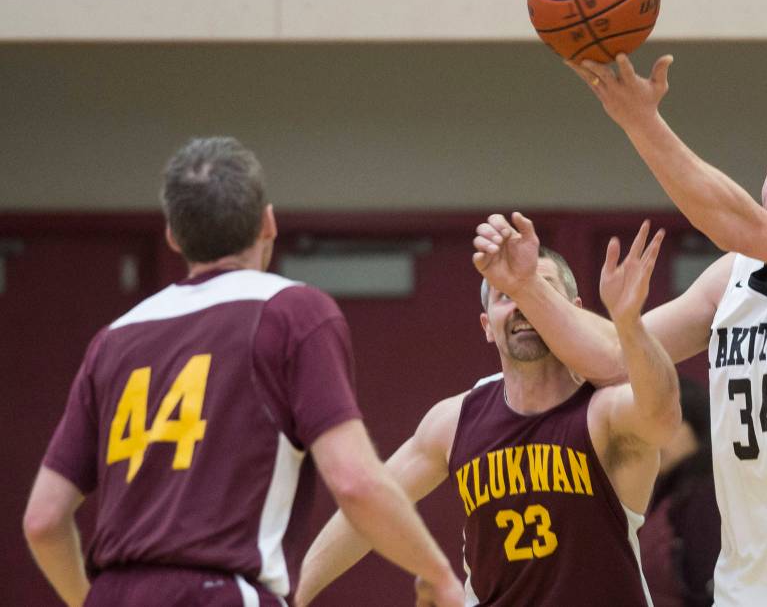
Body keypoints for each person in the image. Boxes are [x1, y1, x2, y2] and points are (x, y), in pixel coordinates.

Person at [471, 54, 767, 606]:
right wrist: (529, 285)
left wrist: (640, 120)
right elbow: (606, 361)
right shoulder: (732, 278)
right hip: (752, 589)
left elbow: (736, 221)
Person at [22, 137, 463, 607]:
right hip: (220, 592)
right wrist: (438, 575)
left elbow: (43, 521)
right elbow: (354, 481)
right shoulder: (291, 312)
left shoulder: (114, 338)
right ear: (268, 222)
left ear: (174, 234)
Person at [296, 230, 681, 606]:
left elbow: (663, 414)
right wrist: (293, 593)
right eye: (506, 295)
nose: (523, 304)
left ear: (573, 312)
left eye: (539, 291)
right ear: (486, 326)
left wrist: (630, 327)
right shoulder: (453, 423)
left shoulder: (605, 411)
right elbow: (371, 507)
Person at [637, 377, 719, 607]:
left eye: (669, 424)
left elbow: (706, 587)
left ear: (697, 426)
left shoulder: (704, 495)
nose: (656, 438)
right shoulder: (666, 491)